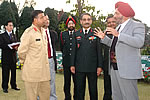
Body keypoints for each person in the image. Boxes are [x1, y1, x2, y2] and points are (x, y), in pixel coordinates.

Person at [94, 2, 145, 100]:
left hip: (127, 70)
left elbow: (139, 42)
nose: (114, 16)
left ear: (124, 14)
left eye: (116, 13)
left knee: (130, 97)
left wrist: (119, 35)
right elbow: (115, 45)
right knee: (117, 96)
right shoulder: (119, 27)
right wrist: (104, 38)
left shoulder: (137, 25)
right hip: (114, 68)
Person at [18, 10, 50, 100]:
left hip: (44, 74)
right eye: (41, 17)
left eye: (44, 17)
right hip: (32, 74)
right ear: (35, 20)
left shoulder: (43, 32)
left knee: (46, 97)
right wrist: (27, 63)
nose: (44, 19)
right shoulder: (28, 33)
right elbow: (21, 52)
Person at [70, 13, 103, 100]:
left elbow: (99, 51)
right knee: (79, 90)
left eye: (88, 19)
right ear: (81, 21)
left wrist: (99, 66)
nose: (86, 21)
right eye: (84, 20)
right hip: (79, 67)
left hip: (92, 67)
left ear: (91, 21)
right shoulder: (76, 34)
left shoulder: (96, 33)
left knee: (93, 90)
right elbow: (73, 51)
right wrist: (72, 65)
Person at [0, 20, 20, 93]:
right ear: (6, 27)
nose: (11, 27)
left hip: (13, 57)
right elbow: (1, 45)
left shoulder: (14, 35)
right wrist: (9, 46)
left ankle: (13, 85)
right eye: (10, 25)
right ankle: (5, 87)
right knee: (5, 73)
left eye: (12, 25)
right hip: (6, 57)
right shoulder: (2, 36)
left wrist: (16, 47)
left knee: (14, 73)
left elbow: (16, 43)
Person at [60, 15, 77, 100]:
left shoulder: (78, 33)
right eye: (69, 24)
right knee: (67, 82)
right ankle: (67, 97)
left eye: (72, 23)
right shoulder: (63, 34)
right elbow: (61, 47)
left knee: (76, 82)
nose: (71, 25)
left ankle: (76, 97)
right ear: (67, 25)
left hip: (76, 63)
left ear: (75, 25)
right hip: (66, 62)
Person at [43, 14, 58, 100]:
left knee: (52, 81)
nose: (47, 21)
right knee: (41, 82)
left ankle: (52, 98)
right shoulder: (37, 33)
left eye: (48, 19)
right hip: (41, 61)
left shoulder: (53, 34)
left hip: (51, 59)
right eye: (45, 19)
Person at [102, 15, 117, 100]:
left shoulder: (121, 33)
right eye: (109, 22)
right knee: (107, 89)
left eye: (113, 22)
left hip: (119, 68)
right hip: (107, 66)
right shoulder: (103, 34)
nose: (111, 24)